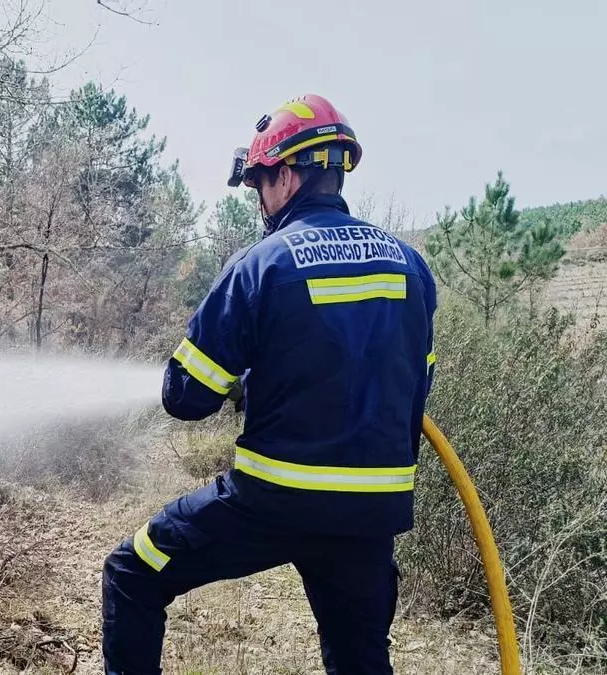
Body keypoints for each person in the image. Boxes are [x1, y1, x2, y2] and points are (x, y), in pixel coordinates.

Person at [100, 94, 438, 674]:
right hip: (370, 514)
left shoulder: (263, 264)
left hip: (273, 503)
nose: (259, 198)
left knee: (132, 572)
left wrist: (240, 384)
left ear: (286, 174)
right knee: (360, 659)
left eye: (259, 182)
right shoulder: (410, 265)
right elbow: (413, 385)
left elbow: (186, 397)